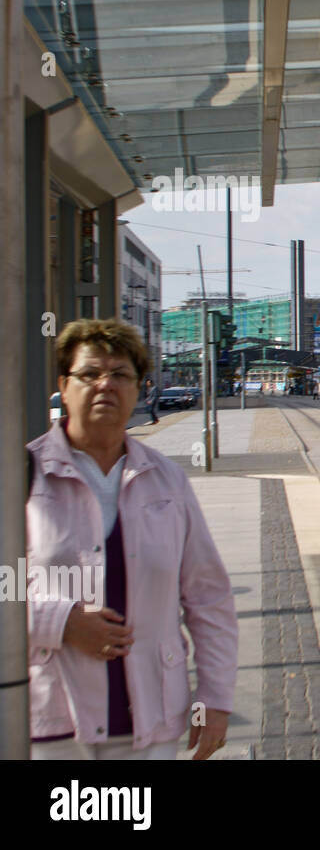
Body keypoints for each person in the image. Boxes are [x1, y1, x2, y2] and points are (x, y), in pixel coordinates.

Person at [26, 318, 238, 759]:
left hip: (153, 724)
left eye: (120, 375)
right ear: (64, 388)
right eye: (89, 374)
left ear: (140, 389)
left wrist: (215, 700)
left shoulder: (167, 480)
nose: (105, 385)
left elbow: (208, 596)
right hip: (56, 727)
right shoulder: (23, 476)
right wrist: (59, 622)